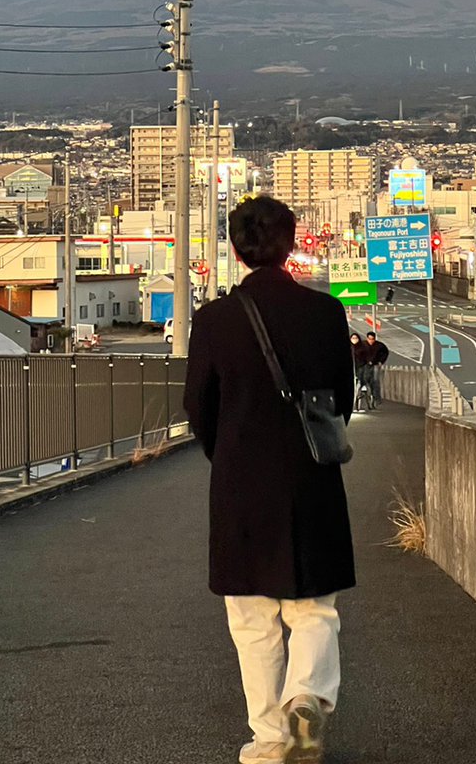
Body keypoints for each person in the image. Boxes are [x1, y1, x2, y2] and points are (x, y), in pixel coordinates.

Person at [185, 195, 355, 764]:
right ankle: (305, 696)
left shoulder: (213, 321)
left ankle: (269, 742)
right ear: (291, 242)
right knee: (313, 607)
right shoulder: (326, 314)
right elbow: (341, 401)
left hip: (239, 482)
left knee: (253, 619)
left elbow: (197, 408)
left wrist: (228, 451)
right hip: (311, 479)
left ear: (236, 249)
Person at [350, 332, 373, 412]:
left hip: (361, 368)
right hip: (353, 369)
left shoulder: (363, 348)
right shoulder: (349, 347)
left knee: (361, 384)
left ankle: (365, 402)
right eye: (352, 338)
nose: (354, 340)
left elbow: (367, 358)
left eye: (356, 338)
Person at [365, 330, 389, 406]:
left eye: (372, 339)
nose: (371, 341)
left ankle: (377, 398)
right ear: (367, 338)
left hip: (375, 364)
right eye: (369, 339)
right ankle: (367, 394)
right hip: (365, 365)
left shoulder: (380, 345)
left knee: (375, 380)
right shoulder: (363, 345)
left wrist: (381, 361)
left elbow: (385, 353)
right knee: (365, 379)